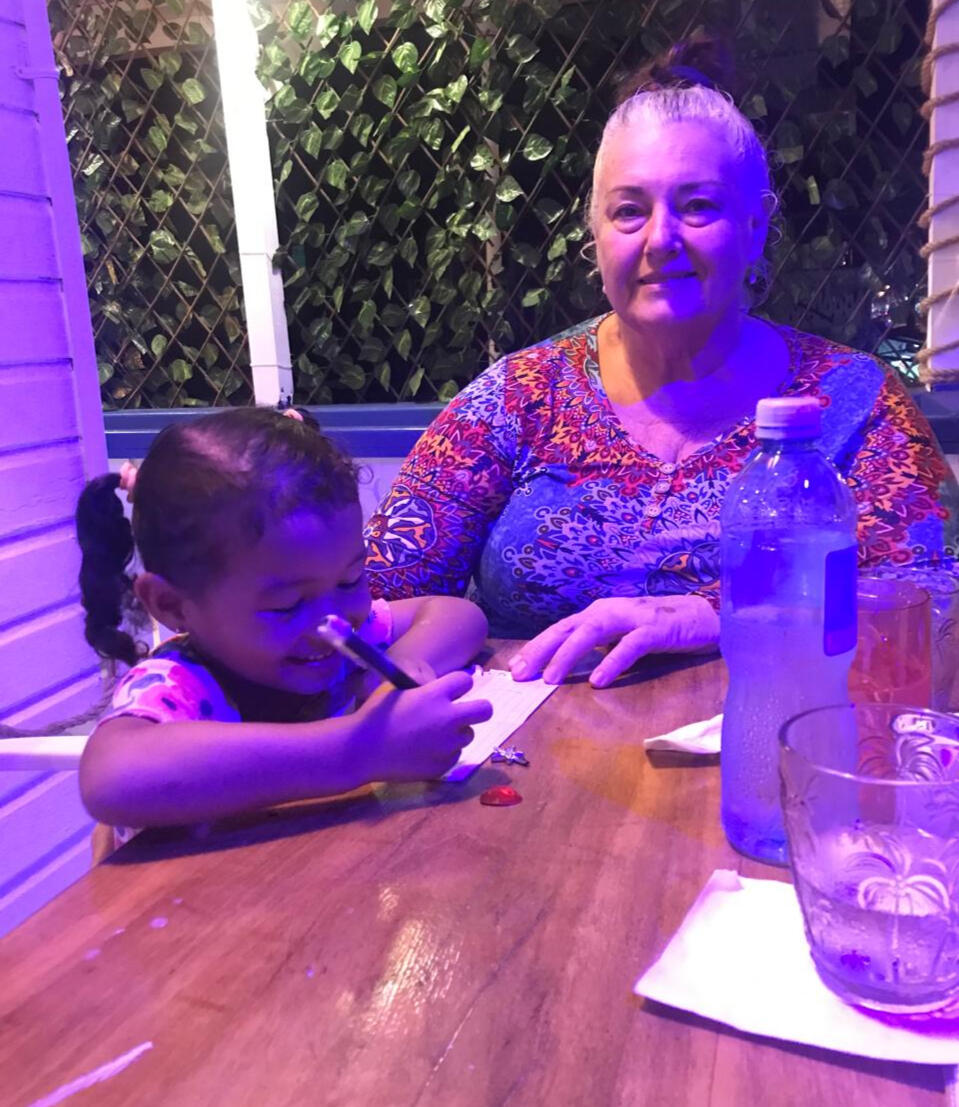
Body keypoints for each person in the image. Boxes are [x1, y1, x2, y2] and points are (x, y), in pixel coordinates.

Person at [364, 37, 959, 688]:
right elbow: (371, 595)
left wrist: (720, 615)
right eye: (628, 211)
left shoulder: (853, 401)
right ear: (595, 235)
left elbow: (934, 607)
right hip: (532, 740)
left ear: (754, 227)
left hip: (774, 735)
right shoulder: (517, 396)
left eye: (698, 205)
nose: (660, 239)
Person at [76, 407, 491, 830]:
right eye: (287, 605)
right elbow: (110, 778)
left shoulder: (343, 641)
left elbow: (459, 615)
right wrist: (359, 750)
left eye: (350, 579)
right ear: (171, 605)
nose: (333, 624)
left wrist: (393, 669)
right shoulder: (179, 684)